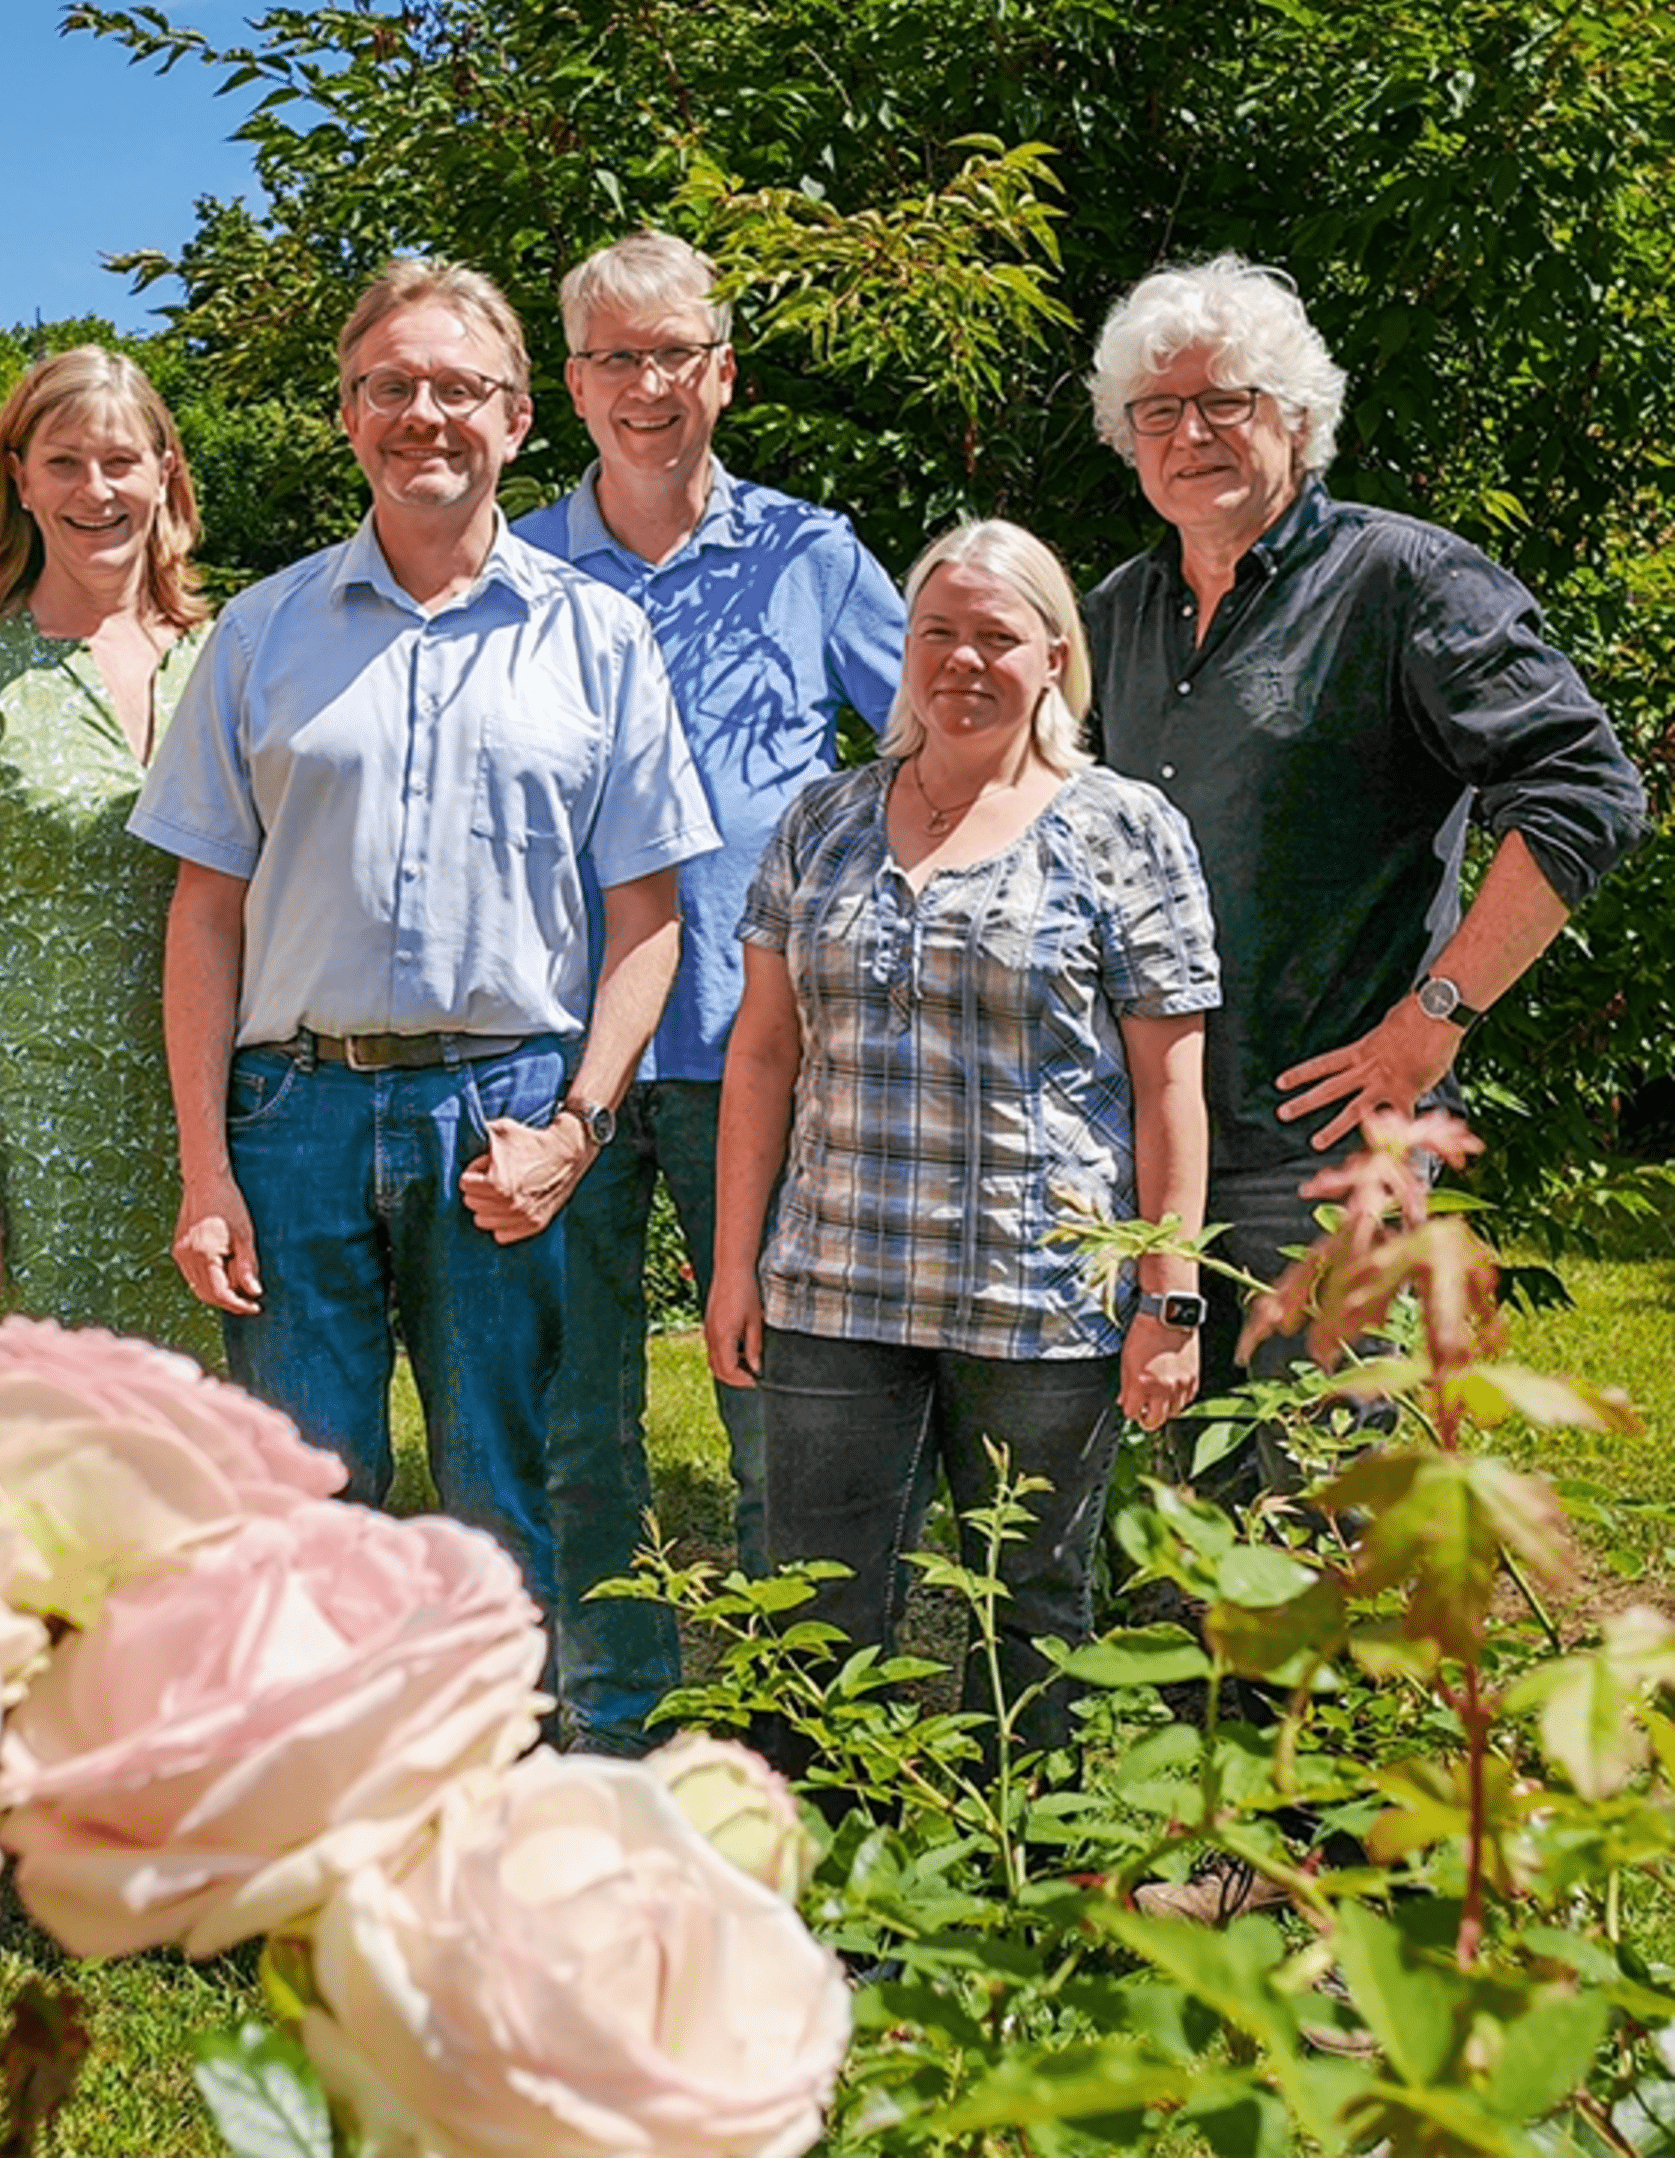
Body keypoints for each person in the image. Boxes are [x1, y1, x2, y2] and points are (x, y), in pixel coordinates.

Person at [133, 257, 719, 1616]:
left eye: (457, 388)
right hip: (292, 1120)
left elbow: (646, 921)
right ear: (346, 416)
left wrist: (576, 1128)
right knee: (305, 1497)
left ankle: (492, 1786)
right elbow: (203, 910)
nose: (422, 415)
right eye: (388, 387)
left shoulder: (597, 639)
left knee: (502, 1494)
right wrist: (204, 1168)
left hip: (501, 1113)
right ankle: (334, 1799)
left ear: (518, 418)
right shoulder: (259, 635)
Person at [1084, 255, 1651, 1427]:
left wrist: (1430, 1018)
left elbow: (1584, 787)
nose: (1189, 432)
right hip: (1137, 1146)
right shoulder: (1109, 618)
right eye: (1157, 410)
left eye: (1223, 401)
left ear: (1294, 416)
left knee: (1310, 1519)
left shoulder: (1402, 581)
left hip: (1326, 1149)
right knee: (1158, 1541)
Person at [706, 521, 1219, 1752]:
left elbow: (1168, 1085)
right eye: (938, 631)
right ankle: (823, 1892)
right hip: (834, 1283)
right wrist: (734, 1263)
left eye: (997, 635)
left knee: (1031, 1609)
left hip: (1039, 1299)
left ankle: (1027, 1899)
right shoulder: (821, 819)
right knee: (816, 1609)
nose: (962, 660)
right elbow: (763, 1052)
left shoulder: (1121, 827)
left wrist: (1170, 1293)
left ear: (1053, 656)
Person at [513, 232, 904, 1754]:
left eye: (671, 353)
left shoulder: (811, 555)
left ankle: (791, 1731)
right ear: (570, 385)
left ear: (720, 371)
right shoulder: (522, 570)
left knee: (781, 1408)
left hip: (767, 1052)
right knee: (574, 1414)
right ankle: (609, 1716)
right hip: (567, 1056)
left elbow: (935, 740)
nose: (644, 385)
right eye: (612, 357)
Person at [0, 348, 216, 1397]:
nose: (95, 490)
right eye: (64, 462)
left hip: (216, 1129)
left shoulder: (230, 657)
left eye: (120, 459)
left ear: (165, 471)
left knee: (198, 1466)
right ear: (18, 480)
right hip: (31, 1147)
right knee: (23, 1464)